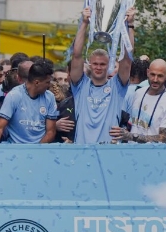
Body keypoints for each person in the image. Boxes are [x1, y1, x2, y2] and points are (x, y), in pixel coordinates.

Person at [69, 5, 135, 144]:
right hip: (82, 148)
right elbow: (76, 55)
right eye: (95, 64)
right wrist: (84, 23)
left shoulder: (117, 86)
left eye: (102, 64)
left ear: (109, 65)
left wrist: (130, 25)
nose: (98, 67)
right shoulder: (81, 85)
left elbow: (127, 59)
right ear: (90, 64)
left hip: (108, 150)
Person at [111, 58, 166, 143]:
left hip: (152, 154)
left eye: (160, 76)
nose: (155, 79)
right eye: (152, 74)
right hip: (129, 152)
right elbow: (131, 124)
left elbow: (164, 139)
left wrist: (131, 136)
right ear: (147, 73)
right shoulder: (138, 93)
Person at [0, 60, 57, 144]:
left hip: (39, 149)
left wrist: (36, 150)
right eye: (47, 82)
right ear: (37, 82)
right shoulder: (14, 95)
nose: (49, 85)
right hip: (15, 148)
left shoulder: (50, 97)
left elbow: (51, 131)